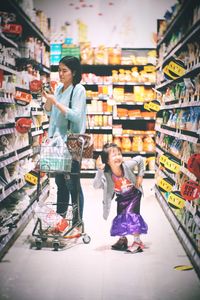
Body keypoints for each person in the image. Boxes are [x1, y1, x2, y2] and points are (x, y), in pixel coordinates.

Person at [43, 56, 86, 222]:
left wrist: (55, 102)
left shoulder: (78, 89)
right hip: (57, 142)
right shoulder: (59, 88)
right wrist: (49, 100)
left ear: (73, 72)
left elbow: (76, 116)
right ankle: (60, 220)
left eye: (64, 70)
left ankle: (77, 221)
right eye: (59, 70)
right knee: (60, 182)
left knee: (73, 184)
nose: (60, 74)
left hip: (72, 143)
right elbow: (50, 113)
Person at [93, 142, 148, 253]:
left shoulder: (126, 166)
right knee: (121, 218)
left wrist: (140, 176)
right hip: (121, 197)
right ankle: (123, 240)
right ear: (107, 161)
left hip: (134, 194)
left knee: (131, 216)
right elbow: (96, 185)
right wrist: (99, 170)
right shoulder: (107, 173)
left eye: (119, 154)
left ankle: (138, 242)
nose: (118, 157)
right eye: (114, 155)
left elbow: (141, 159)